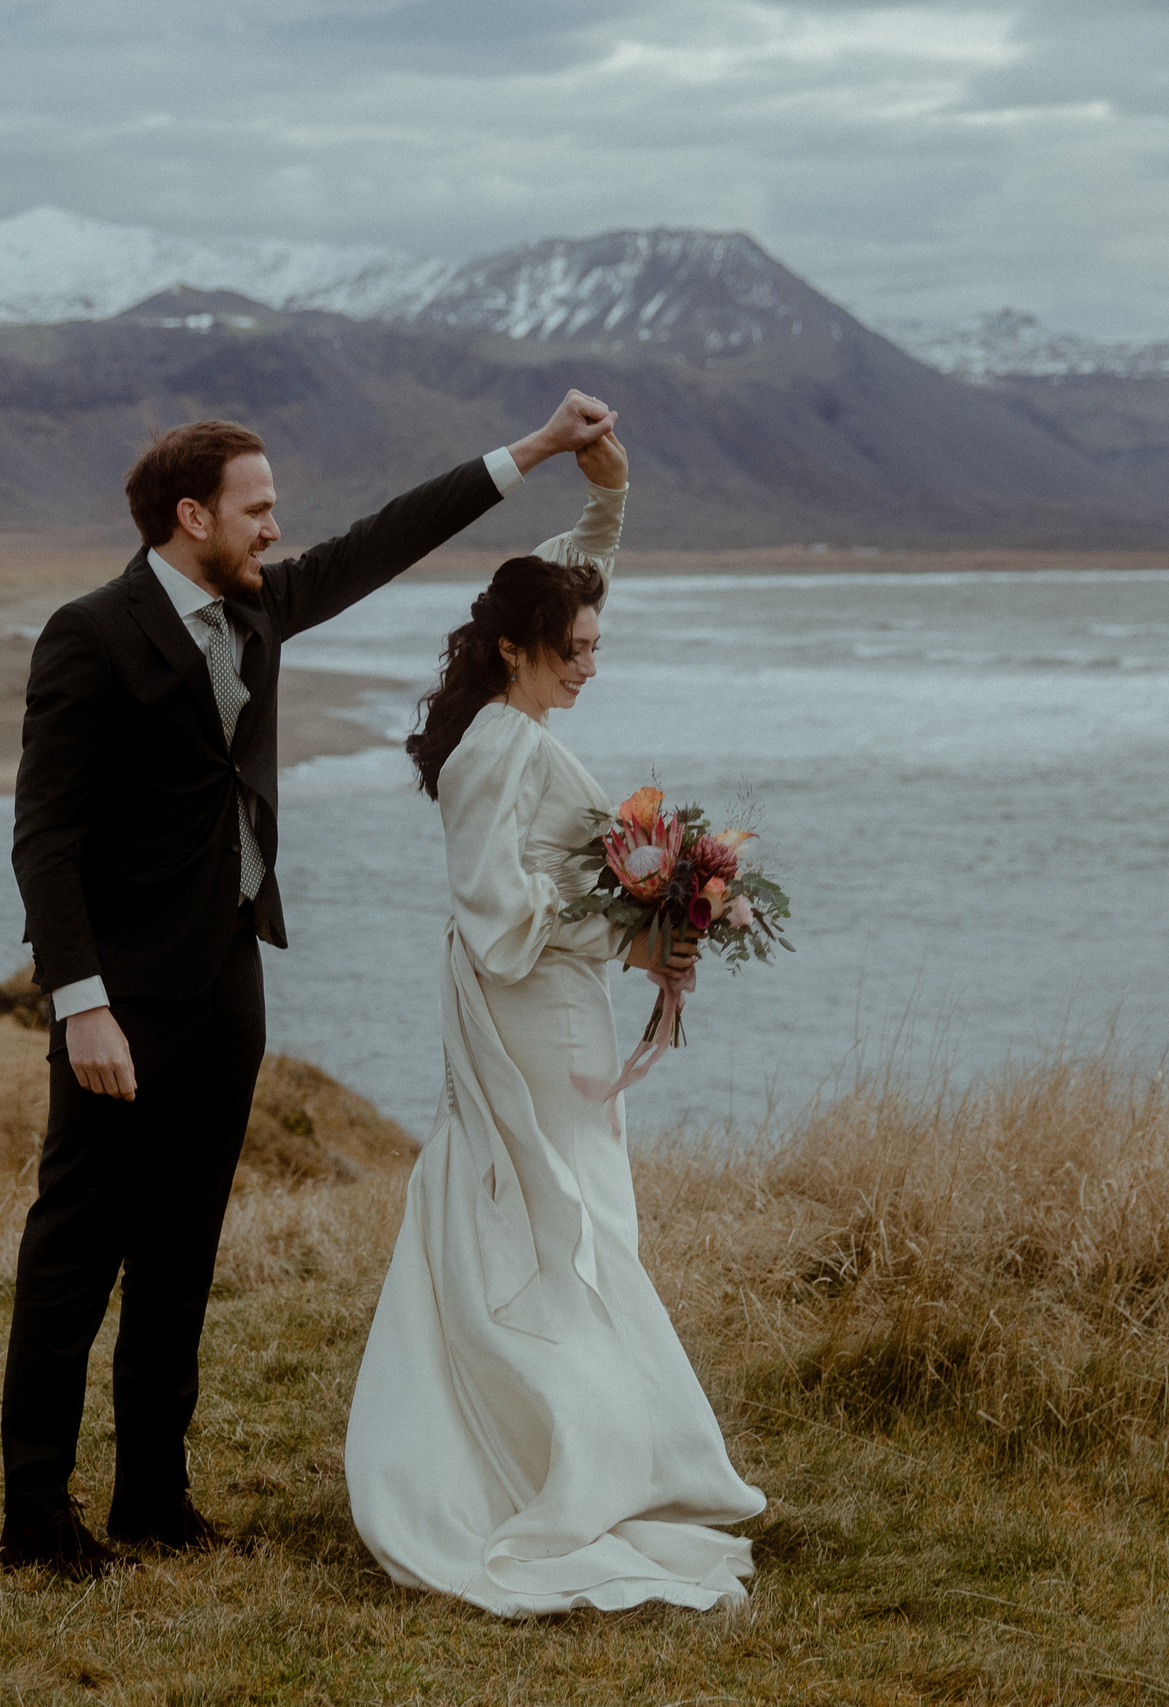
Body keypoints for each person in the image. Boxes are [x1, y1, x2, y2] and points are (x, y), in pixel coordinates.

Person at [2, 391, 623, 1579]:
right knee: (78, 1247)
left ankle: (151, 1498)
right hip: (122, 994)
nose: (277, 528)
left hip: (229, 972)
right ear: (192, 517)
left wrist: (535, 453)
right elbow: (44, 835)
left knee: (184, 1244)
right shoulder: (89, 634)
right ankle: (35, 1518)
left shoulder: (259, 611)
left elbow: (385, 538)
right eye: (258, 509)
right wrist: (79, 998)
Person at [343, 431, 768, 1616]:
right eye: (574, 653)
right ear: (515, 651)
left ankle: (587, 1438)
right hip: (533, 1013)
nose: (591, 666)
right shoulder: (496, 753)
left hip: (557, 1004)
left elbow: (568, 576)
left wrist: (612, 494)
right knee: (565, 1226)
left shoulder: (516, 711)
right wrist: (631, 928)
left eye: (594, 647)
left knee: (573, 1219)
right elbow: (496, 918)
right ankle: (557, 1459)